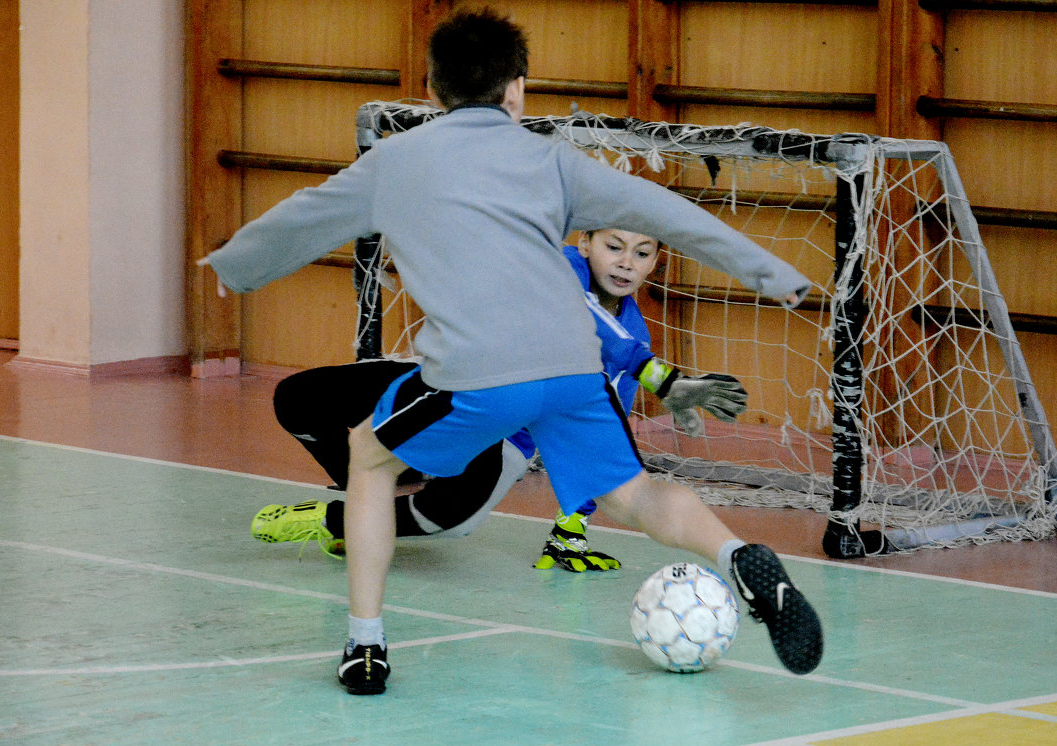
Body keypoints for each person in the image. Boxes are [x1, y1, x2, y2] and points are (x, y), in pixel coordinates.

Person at [200, 6, 822, 696]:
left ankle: (366, 645)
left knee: (369, 457)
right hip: (572, 364)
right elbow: (664, 213)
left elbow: (302, 216)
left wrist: (235, 267)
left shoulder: (395, 161)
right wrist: (776, 276)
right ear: (517, 89)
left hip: (475, 372)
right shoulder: (552, 160)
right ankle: (739, 554)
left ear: (432, 91)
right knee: (635, 493)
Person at [251, 229, 749, 572]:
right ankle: (376, 488)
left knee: (448, 522)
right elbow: (583, 316)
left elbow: (601, 444)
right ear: (585, 244)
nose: (625, 262)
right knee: (297, 398)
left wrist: (571, 530)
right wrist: (659, 375)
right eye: (614, 246)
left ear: (656, 261)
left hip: (507, 436)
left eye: (642, 253)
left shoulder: (633, 337)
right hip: (449, 389)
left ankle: (332, 519)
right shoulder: (559, 270)